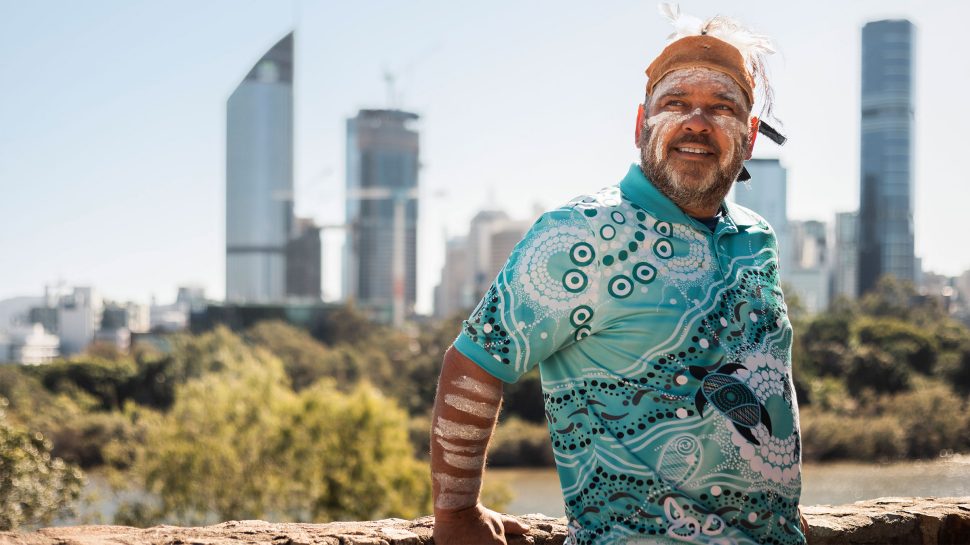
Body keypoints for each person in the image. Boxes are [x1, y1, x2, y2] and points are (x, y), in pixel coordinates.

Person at [430, 6, 805, 544]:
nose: (696, 121)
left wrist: (781, 509)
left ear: (747, 138)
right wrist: (457, 516)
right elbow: (473, 364)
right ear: (640, 124)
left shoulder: (758, 240)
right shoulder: (579, 235)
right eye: (675, 103)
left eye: (721, 108)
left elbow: (771, 386)